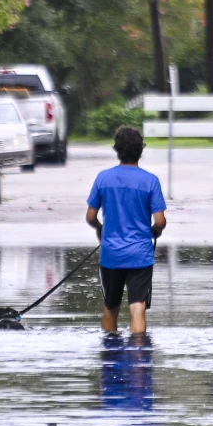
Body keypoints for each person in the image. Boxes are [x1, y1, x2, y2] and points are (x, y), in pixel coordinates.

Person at [86, 127, 166, 334]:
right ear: (140, 150)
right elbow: (160, 221)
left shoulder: (103, 178)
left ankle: (110, 355)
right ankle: (138, 358)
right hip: (140, 254)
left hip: (111, 254)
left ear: (117, 150)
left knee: (110, 308)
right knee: (137, 308)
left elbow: (90, 217)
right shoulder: (150, 181)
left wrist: (100, 229)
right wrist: (154, 231)